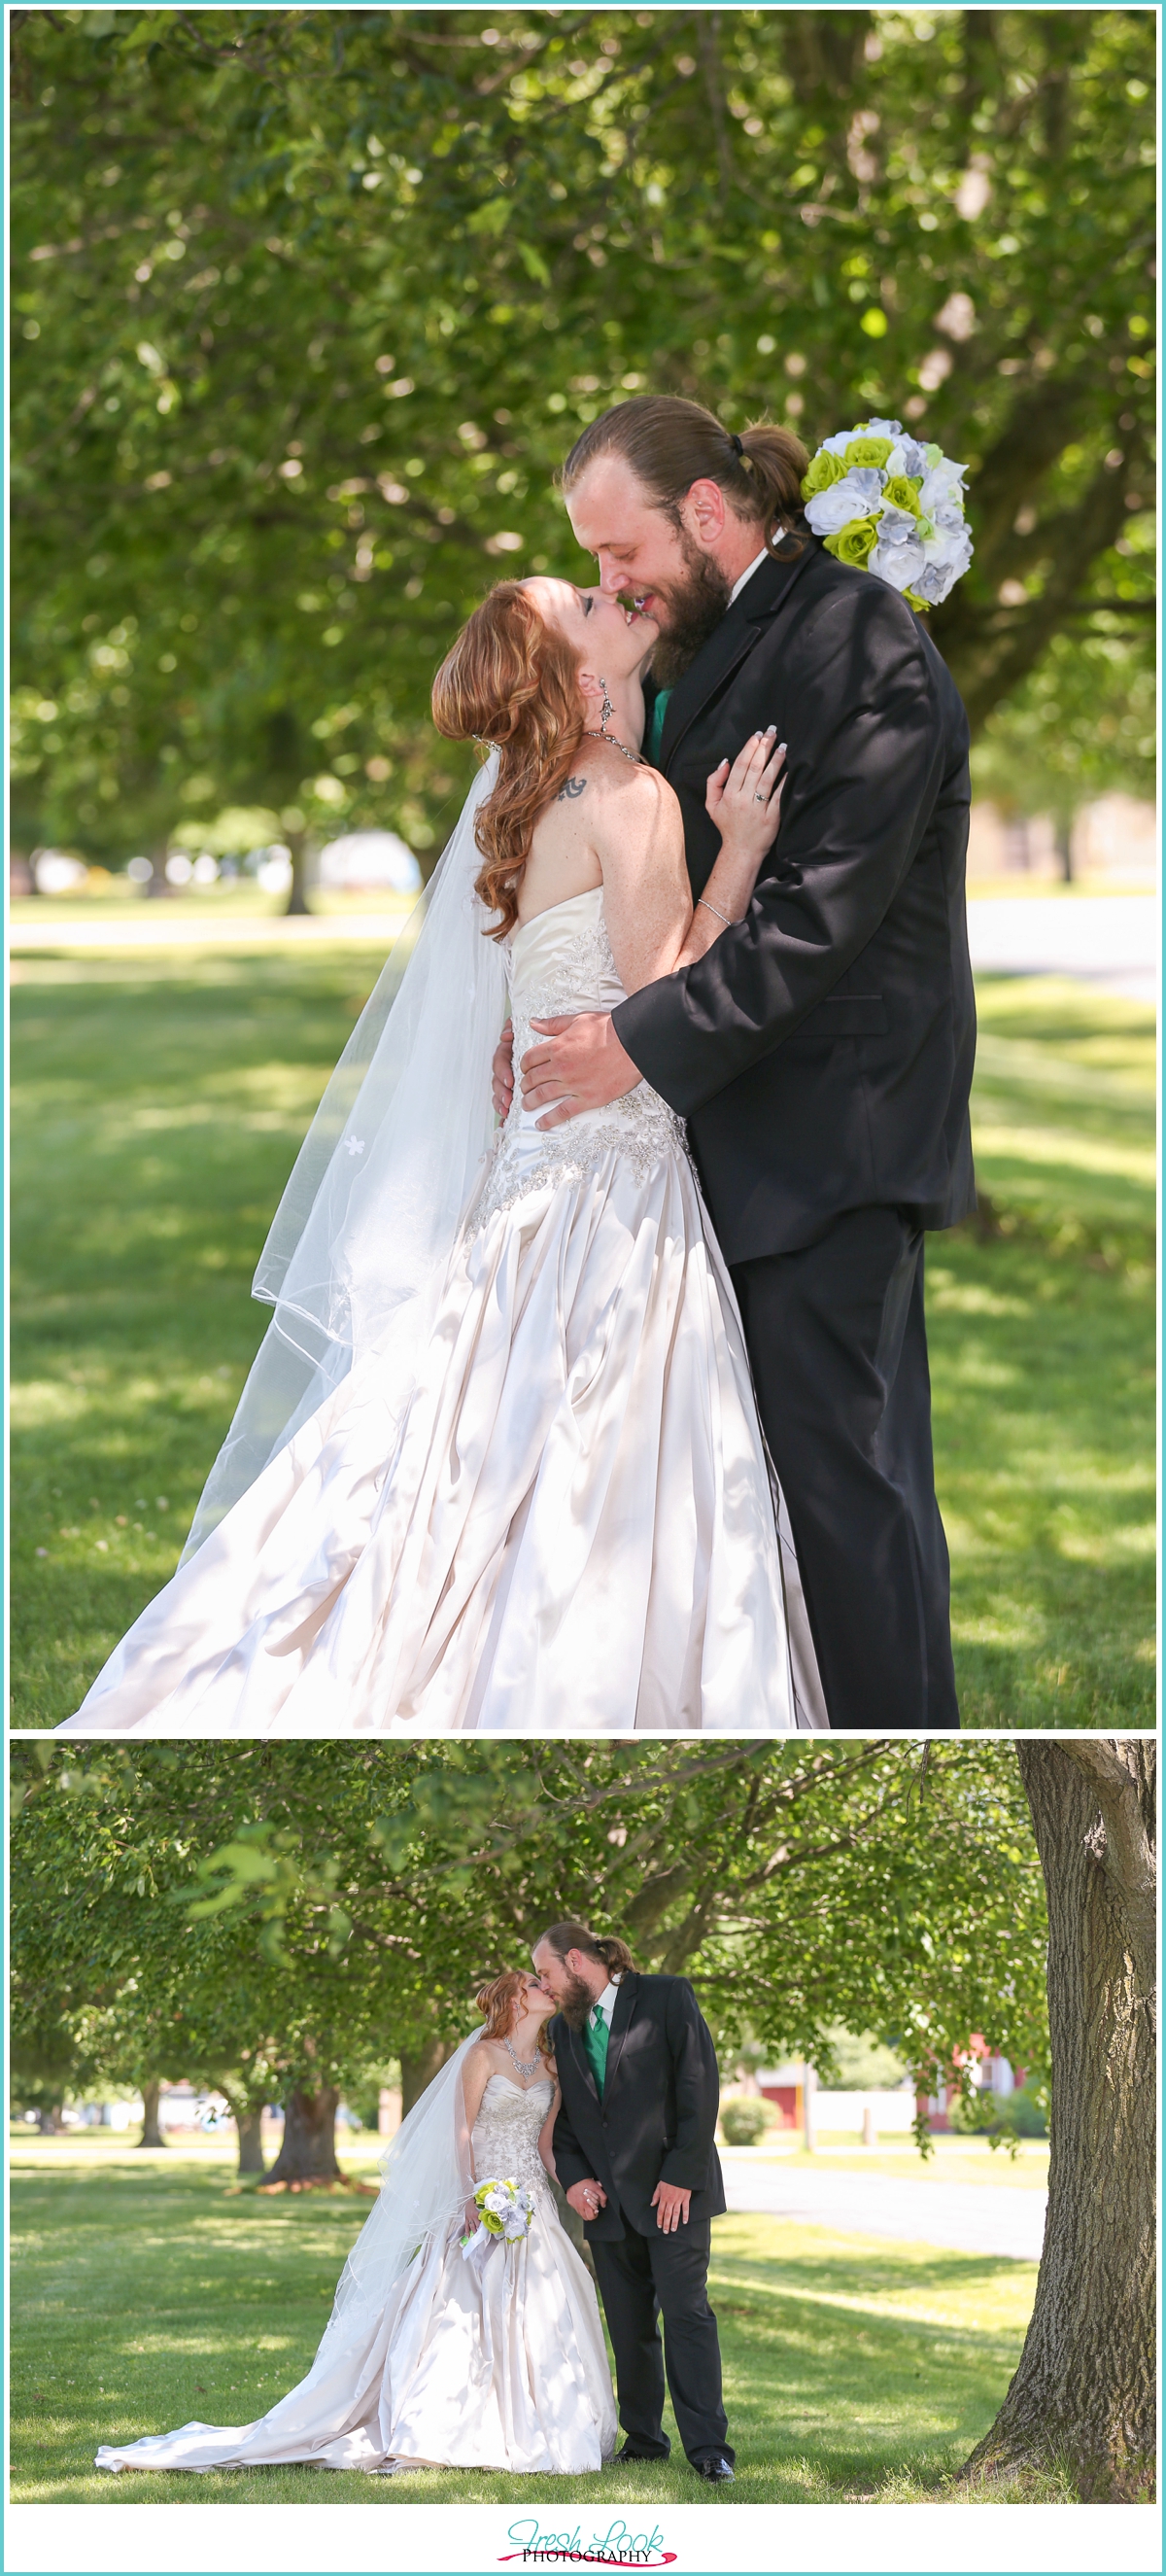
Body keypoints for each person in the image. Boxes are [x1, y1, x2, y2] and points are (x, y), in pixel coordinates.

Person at [59, 573, 824, 1734]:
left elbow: (534, 993)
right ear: (578, 673)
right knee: (598, 1468)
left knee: (466, 1446)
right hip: (615, 1196)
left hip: (521, 1191)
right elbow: (669, 997)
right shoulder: (630, 796)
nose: (618, 599)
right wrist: (743, 850)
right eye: (592, 604)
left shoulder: (515, 806)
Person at [501, 396, 976, 1731]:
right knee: (753, 1503)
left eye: (616, 552)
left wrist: (627, 1048)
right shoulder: (715, 636)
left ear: (705, 515)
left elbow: (822, 917)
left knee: (844, 1495)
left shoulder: (857, 636)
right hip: (730, 1138)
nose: (608, 583)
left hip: (832, 1141)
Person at [93, 1970, 617, 2478]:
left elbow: (546, 2145)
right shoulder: (481, 2056)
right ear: (513, 2000)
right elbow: (461, 2131)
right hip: (479, 2198)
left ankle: (535, 2418)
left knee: (545, 2311)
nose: (544, 1987)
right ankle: (438, 2427)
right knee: (457, 2312)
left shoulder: (551, 2067)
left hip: (532, 2207)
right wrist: (469, 2197)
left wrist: (573, 2184)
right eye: (532, 1983)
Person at [532, 1920, 735, 2486]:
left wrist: (680, 2178)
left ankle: (709, 2450)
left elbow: (700, 2088)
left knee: (687, 2316)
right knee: (628, 2327)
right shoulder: (567, 2031)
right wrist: (572, 2181)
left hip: (674, 2198)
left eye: (546, 1973)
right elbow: (568, 2120)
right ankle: (644, 2441)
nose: (543, 1986)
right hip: (607, 2208)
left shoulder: (667, 1997)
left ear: (576, 1961)